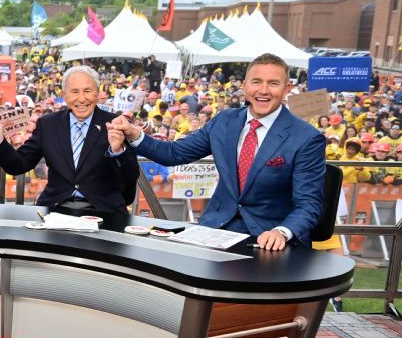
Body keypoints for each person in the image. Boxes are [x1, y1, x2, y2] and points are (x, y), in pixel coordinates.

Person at [109, 53, 325, 250]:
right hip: (216, 229)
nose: (263, 90)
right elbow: (174, 154)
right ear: (245, 85)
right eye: (257, 82)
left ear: (287, 89)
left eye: (273, 83)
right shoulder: (225, 120)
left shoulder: (306, 138)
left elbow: (309, 204)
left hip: (269, 239)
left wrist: (282, 232)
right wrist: (133, 133)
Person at [0, 65, 140, 217]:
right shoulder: (47, 124)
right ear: (64, 95)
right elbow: (19, 165)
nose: (81, 99)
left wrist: (117, 152)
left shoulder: (115, 124)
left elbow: (131, 175)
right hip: (56, 208)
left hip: (104, 210)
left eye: (87, 91)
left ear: (97, 93)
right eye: (74, 92)